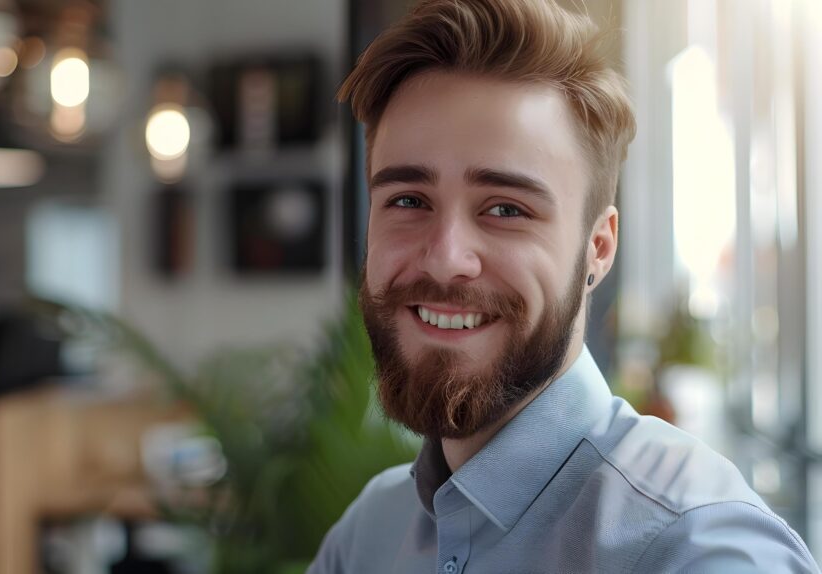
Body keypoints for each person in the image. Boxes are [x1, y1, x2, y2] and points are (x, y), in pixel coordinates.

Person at [310, 0, 819, 572]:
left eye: (505, 208)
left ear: (597, 247)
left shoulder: (693, 544)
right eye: (407, 201)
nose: (447, 258)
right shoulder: (367, 536)